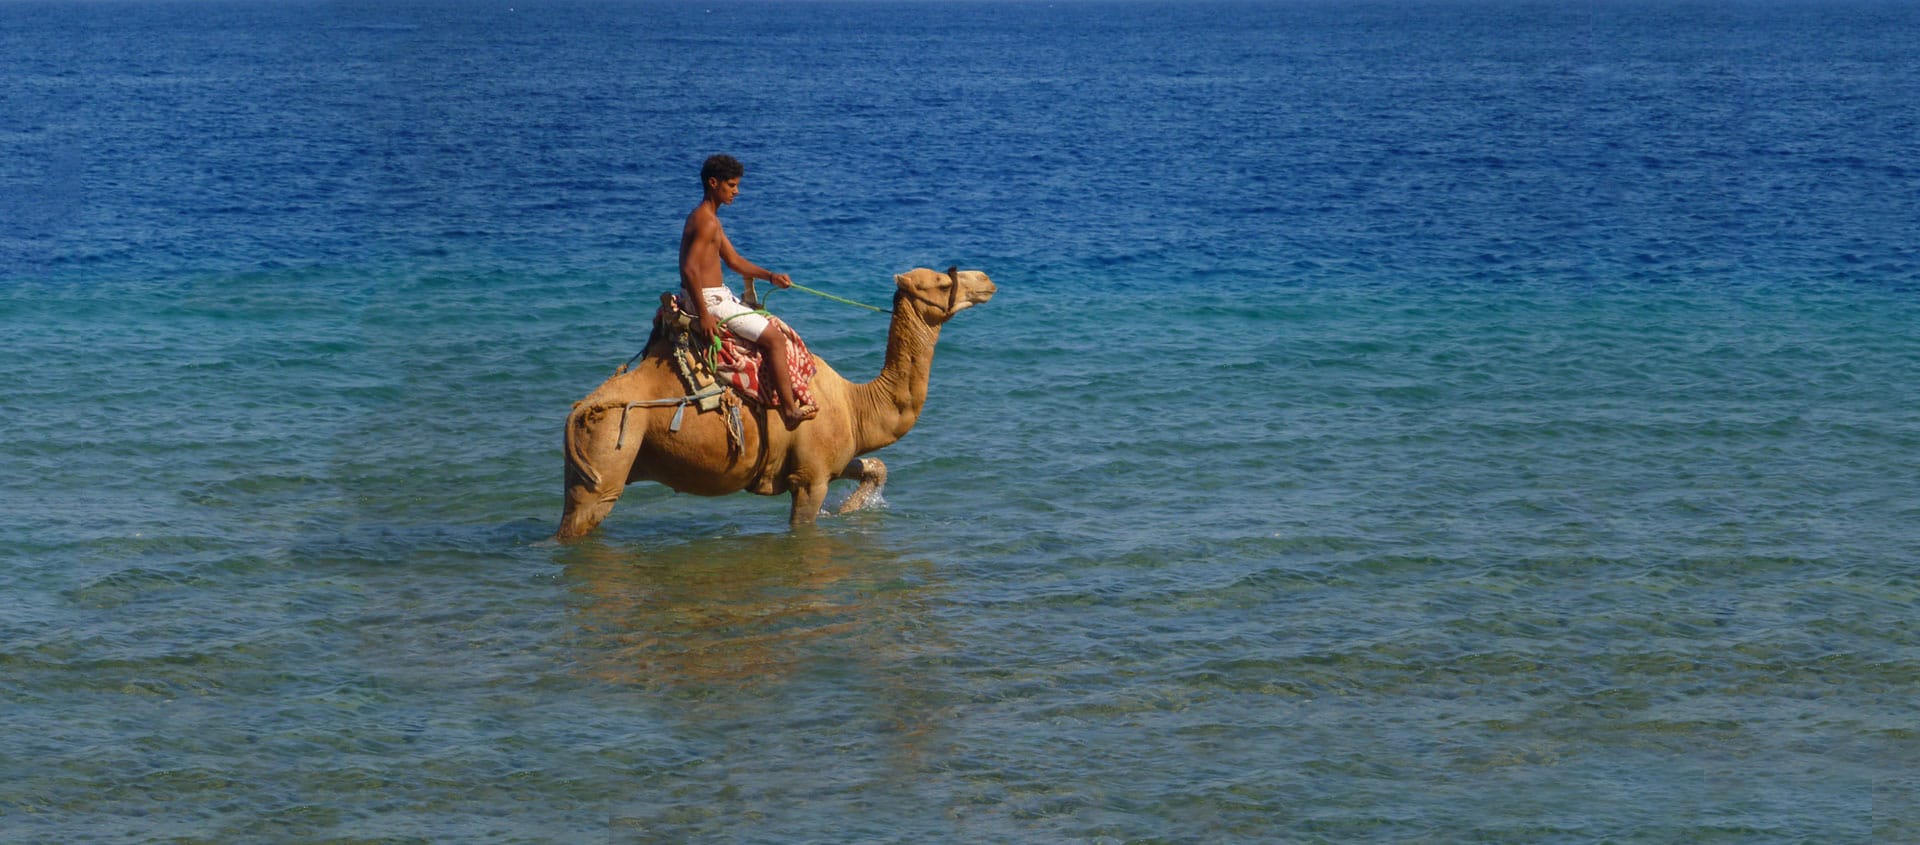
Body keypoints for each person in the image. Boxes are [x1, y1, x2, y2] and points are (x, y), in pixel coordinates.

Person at [679, 154, 817, 426]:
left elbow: (733, 261)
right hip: (711, 300)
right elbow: (689, 269)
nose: (736, 191)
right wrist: (705, 315)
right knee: (776, 340)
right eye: (731, 185)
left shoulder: (708, 218)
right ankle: (789, 411)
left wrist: (770, 276)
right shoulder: (706, 221)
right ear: (713, 182)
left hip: (714, 295)